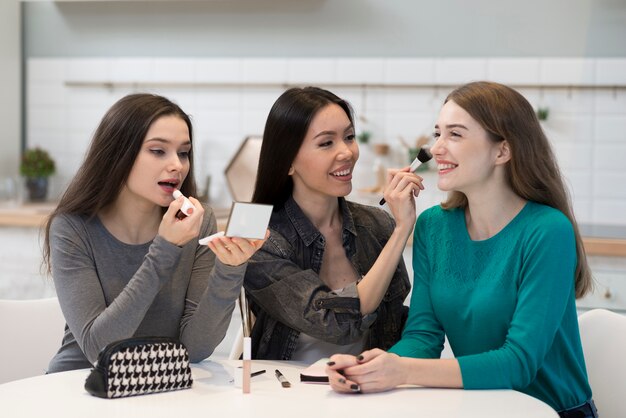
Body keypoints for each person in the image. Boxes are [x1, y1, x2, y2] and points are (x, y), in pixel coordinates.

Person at [326, 81, 598, 417]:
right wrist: (373, 366)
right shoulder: (433, 226)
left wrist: (403, 371)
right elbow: (423, 337)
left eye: (455, 135)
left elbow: (518, 364)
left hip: (554, 412)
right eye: (438, 133)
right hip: (481, 407)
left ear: (502, 151)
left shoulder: (547, 231)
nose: (437, 148)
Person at [44, 93, 266, 373]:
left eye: (183, 152)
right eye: (158, 151)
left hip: (159, 386)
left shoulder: (198, 221)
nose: (177, 165)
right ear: (118, 154)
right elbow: (98, 349)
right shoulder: (72, 227)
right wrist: (165, 250)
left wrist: (230, 269)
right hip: (79, 385)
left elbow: (195, 349)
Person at [244, 87, 424, 362]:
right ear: (288, 162)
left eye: (349, 137)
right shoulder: (257, 237)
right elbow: (336, 323)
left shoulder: (376, 224)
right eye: (326, 143)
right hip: (285, 394)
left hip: (369, 389)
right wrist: (402, 229)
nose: (347, 152)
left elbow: (396, 321)